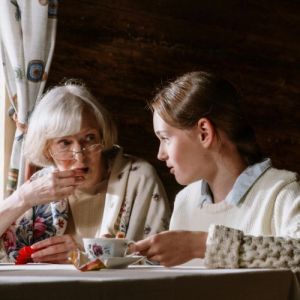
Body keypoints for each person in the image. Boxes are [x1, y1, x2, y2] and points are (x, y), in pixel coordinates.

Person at [133, 71, 300, 270]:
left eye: (165, 138)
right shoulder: (185, 201)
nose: (160, 154)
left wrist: (202, 246)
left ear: (204, 132)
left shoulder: (280, 191)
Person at [0, 81, 170, 263]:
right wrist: (21, 198)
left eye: (89, 138)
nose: (80, 157)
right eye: (65, 143)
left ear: (102, 136)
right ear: (47, 148)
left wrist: (87, 252)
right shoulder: (38, 185)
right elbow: (10, 259)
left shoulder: (139, 177)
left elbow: (161, 259)